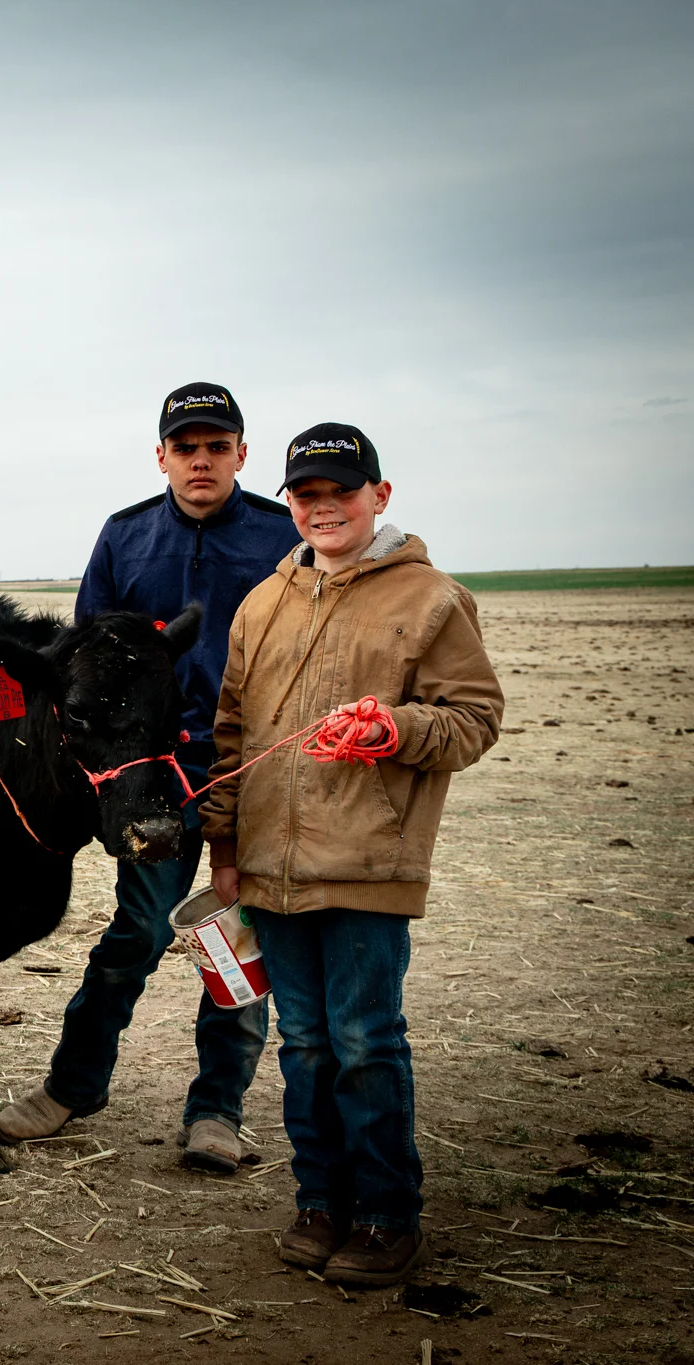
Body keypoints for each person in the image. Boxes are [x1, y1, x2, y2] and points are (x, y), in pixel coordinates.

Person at [201, 424, 502, 1285]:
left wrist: (394, 728)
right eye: (306, 494)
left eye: (341, 491)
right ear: (290, 502)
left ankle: (384, 1216)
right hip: (268, 866)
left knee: (367, 1040)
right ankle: (319, 1203)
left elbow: (475, 718)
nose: (323, 507)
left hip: (368, 863)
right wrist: (225, 849)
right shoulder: (263, 601)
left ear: (381, 495)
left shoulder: (433, 598)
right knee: (303, 1045)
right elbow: (231, 736)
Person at [0, 382, 300, 1173]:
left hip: (253, 768)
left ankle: (217, 1111)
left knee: (234, 937)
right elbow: (86, 654)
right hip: (153, 779)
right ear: (160, 455)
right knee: (135, 933)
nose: (201, 461)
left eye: (217, 447)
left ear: (241, 452)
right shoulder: (125, 536)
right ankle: (72, 1085)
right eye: (186, 448)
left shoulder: (280, 533)